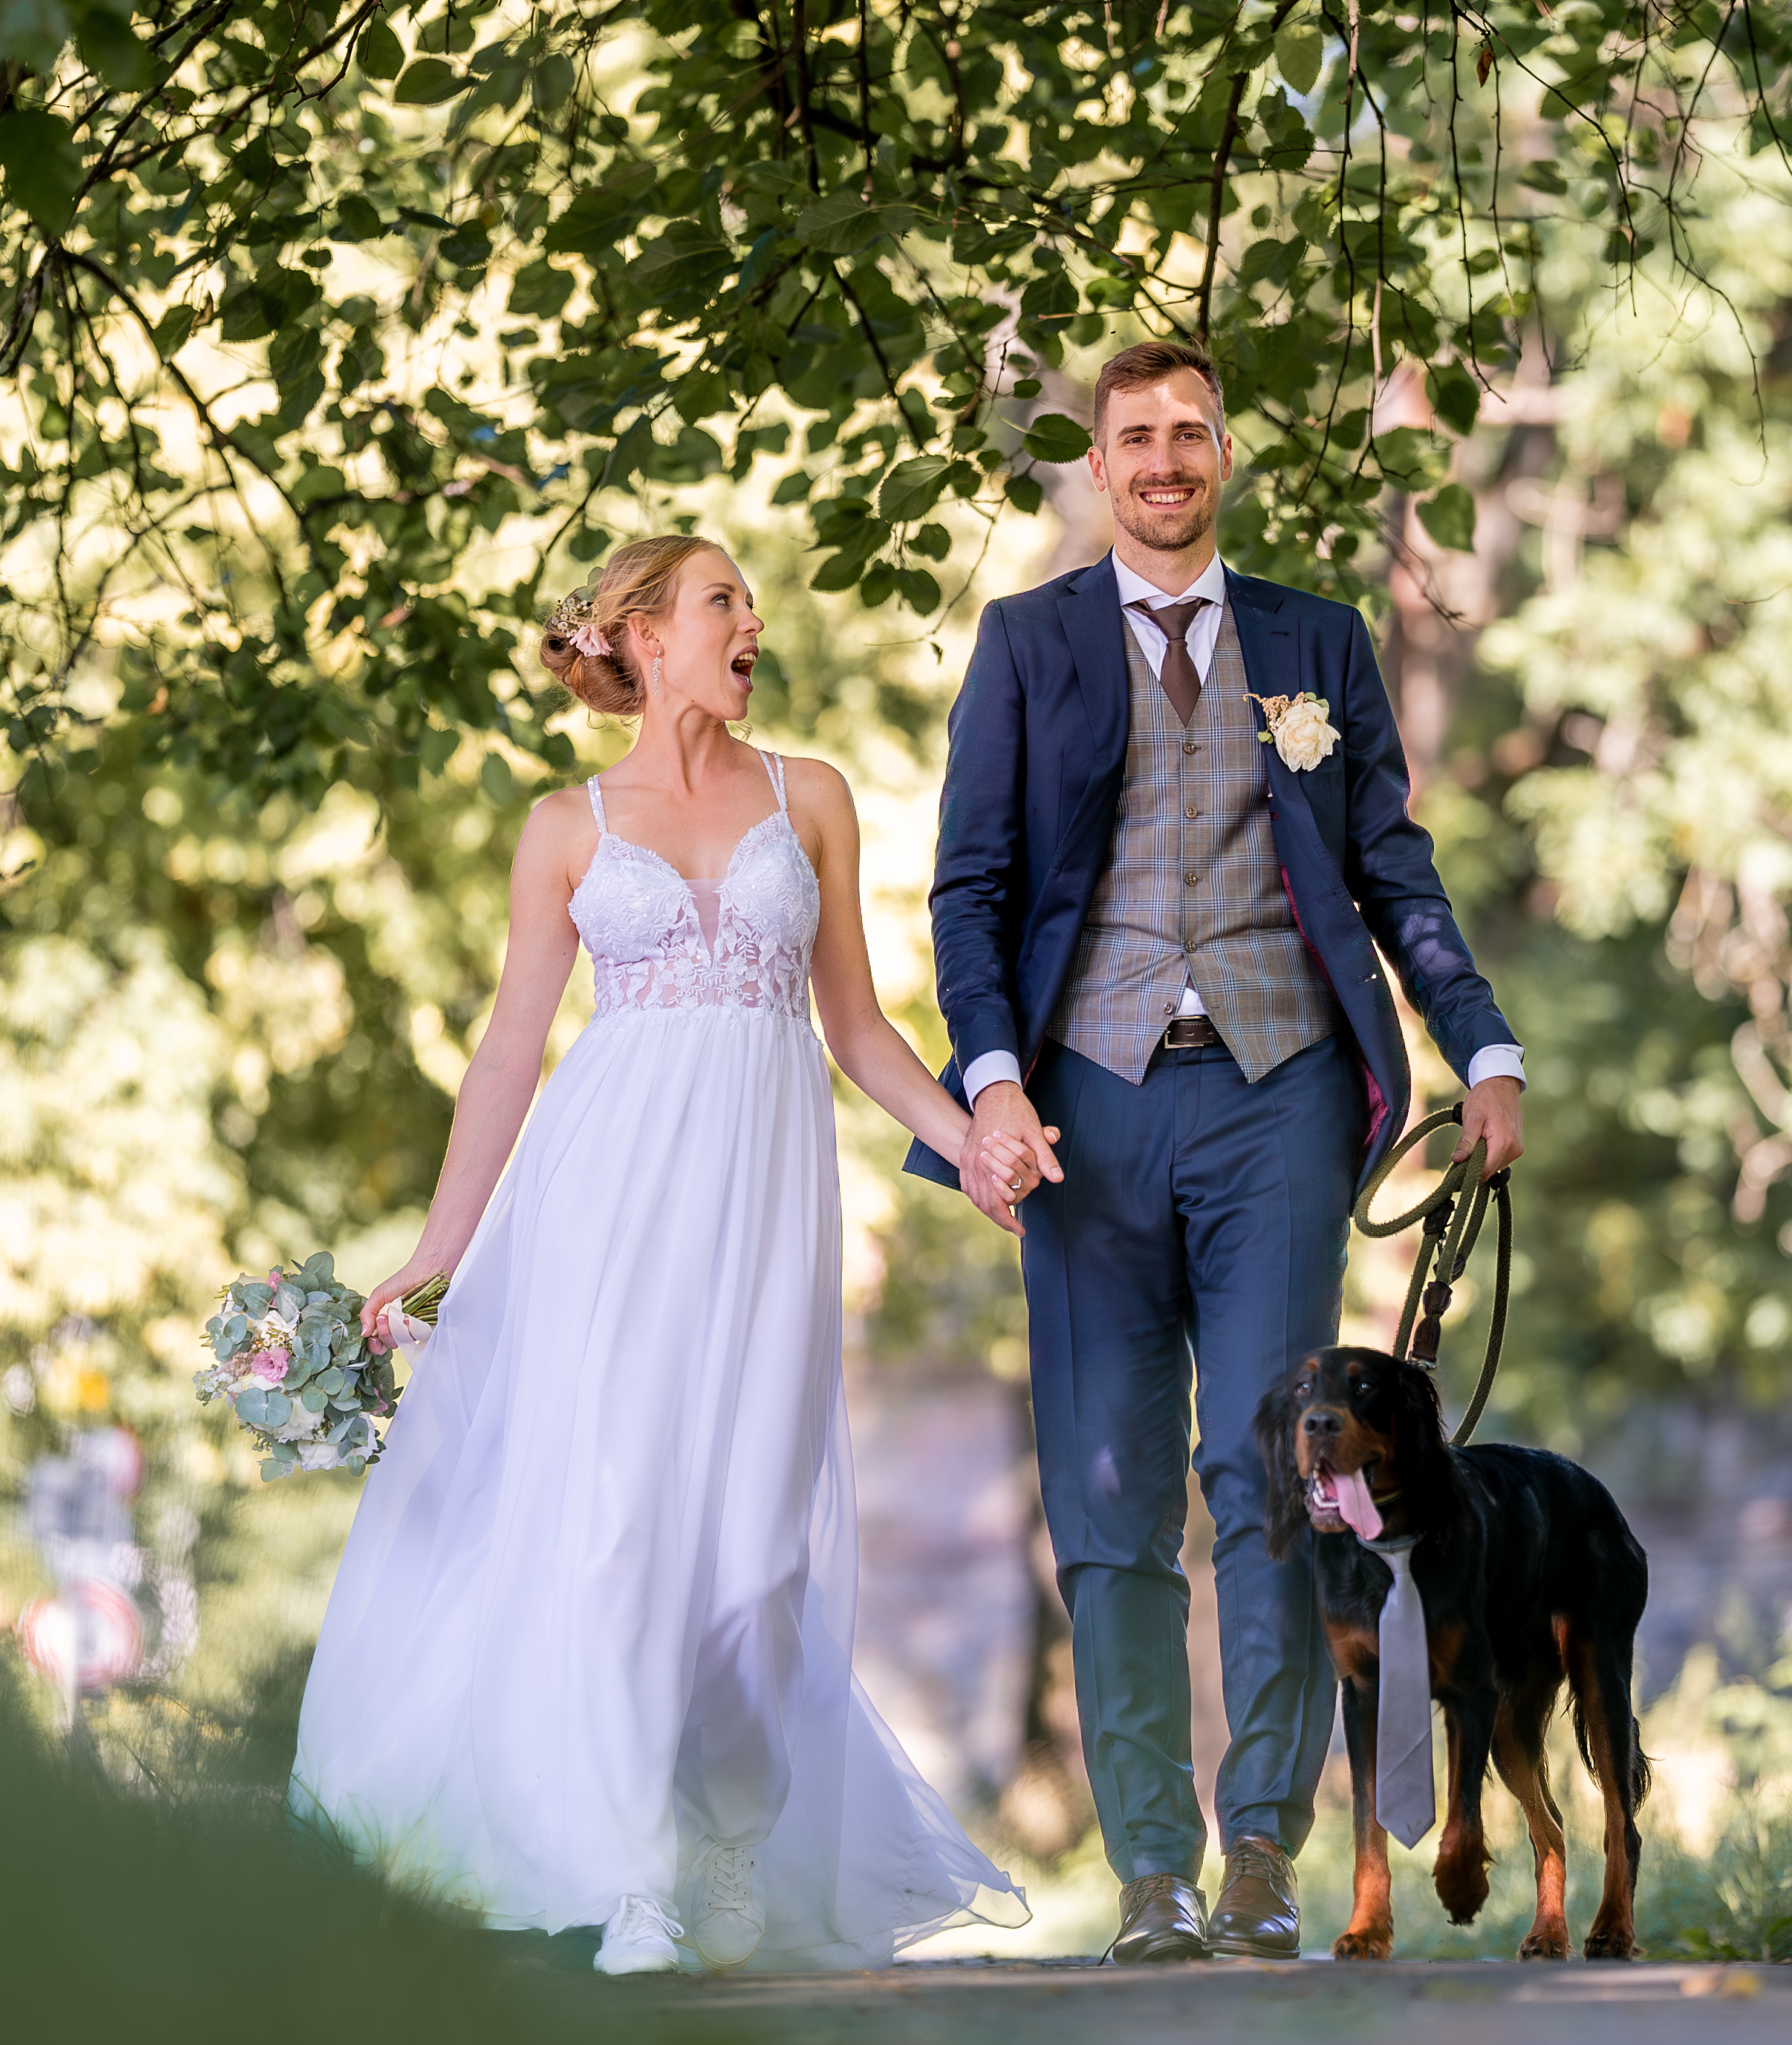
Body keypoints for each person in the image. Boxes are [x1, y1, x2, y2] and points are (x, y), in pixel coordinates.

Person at [295, 534, 1030, 1975]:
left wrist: (972, 1145)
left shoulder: (806, 798)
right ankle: (629, 1871)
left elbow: (858, 1028)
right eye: (719, 602)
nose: (750, 623)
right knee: (619, 1516)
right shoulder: (563, 827)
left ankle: (732, 1846)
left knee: (755, 1552)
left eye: (748, 604)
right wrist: (440, 1246)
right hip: (604, 1196)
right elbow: (512, 1047)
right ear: (641, 635)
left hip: (764, 1197)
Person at [913, 338, 1527, 1961]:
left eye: (1191, 431)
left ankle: (1260, 1854)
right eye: (1136, 437)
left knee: (1279, 1482)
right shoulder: (1027, 642)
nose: (1165, 458)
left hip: (1280, 1101)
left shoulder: (1314, 640)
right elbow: (967, 891)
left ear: (1224, 455)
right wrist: (986, 1085)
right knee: (1108, 1500)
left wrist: (1485, 1046)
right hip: (1082, 1111)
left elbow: (1392, 868)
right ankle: (1149, 1875)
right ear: (1098, 463)